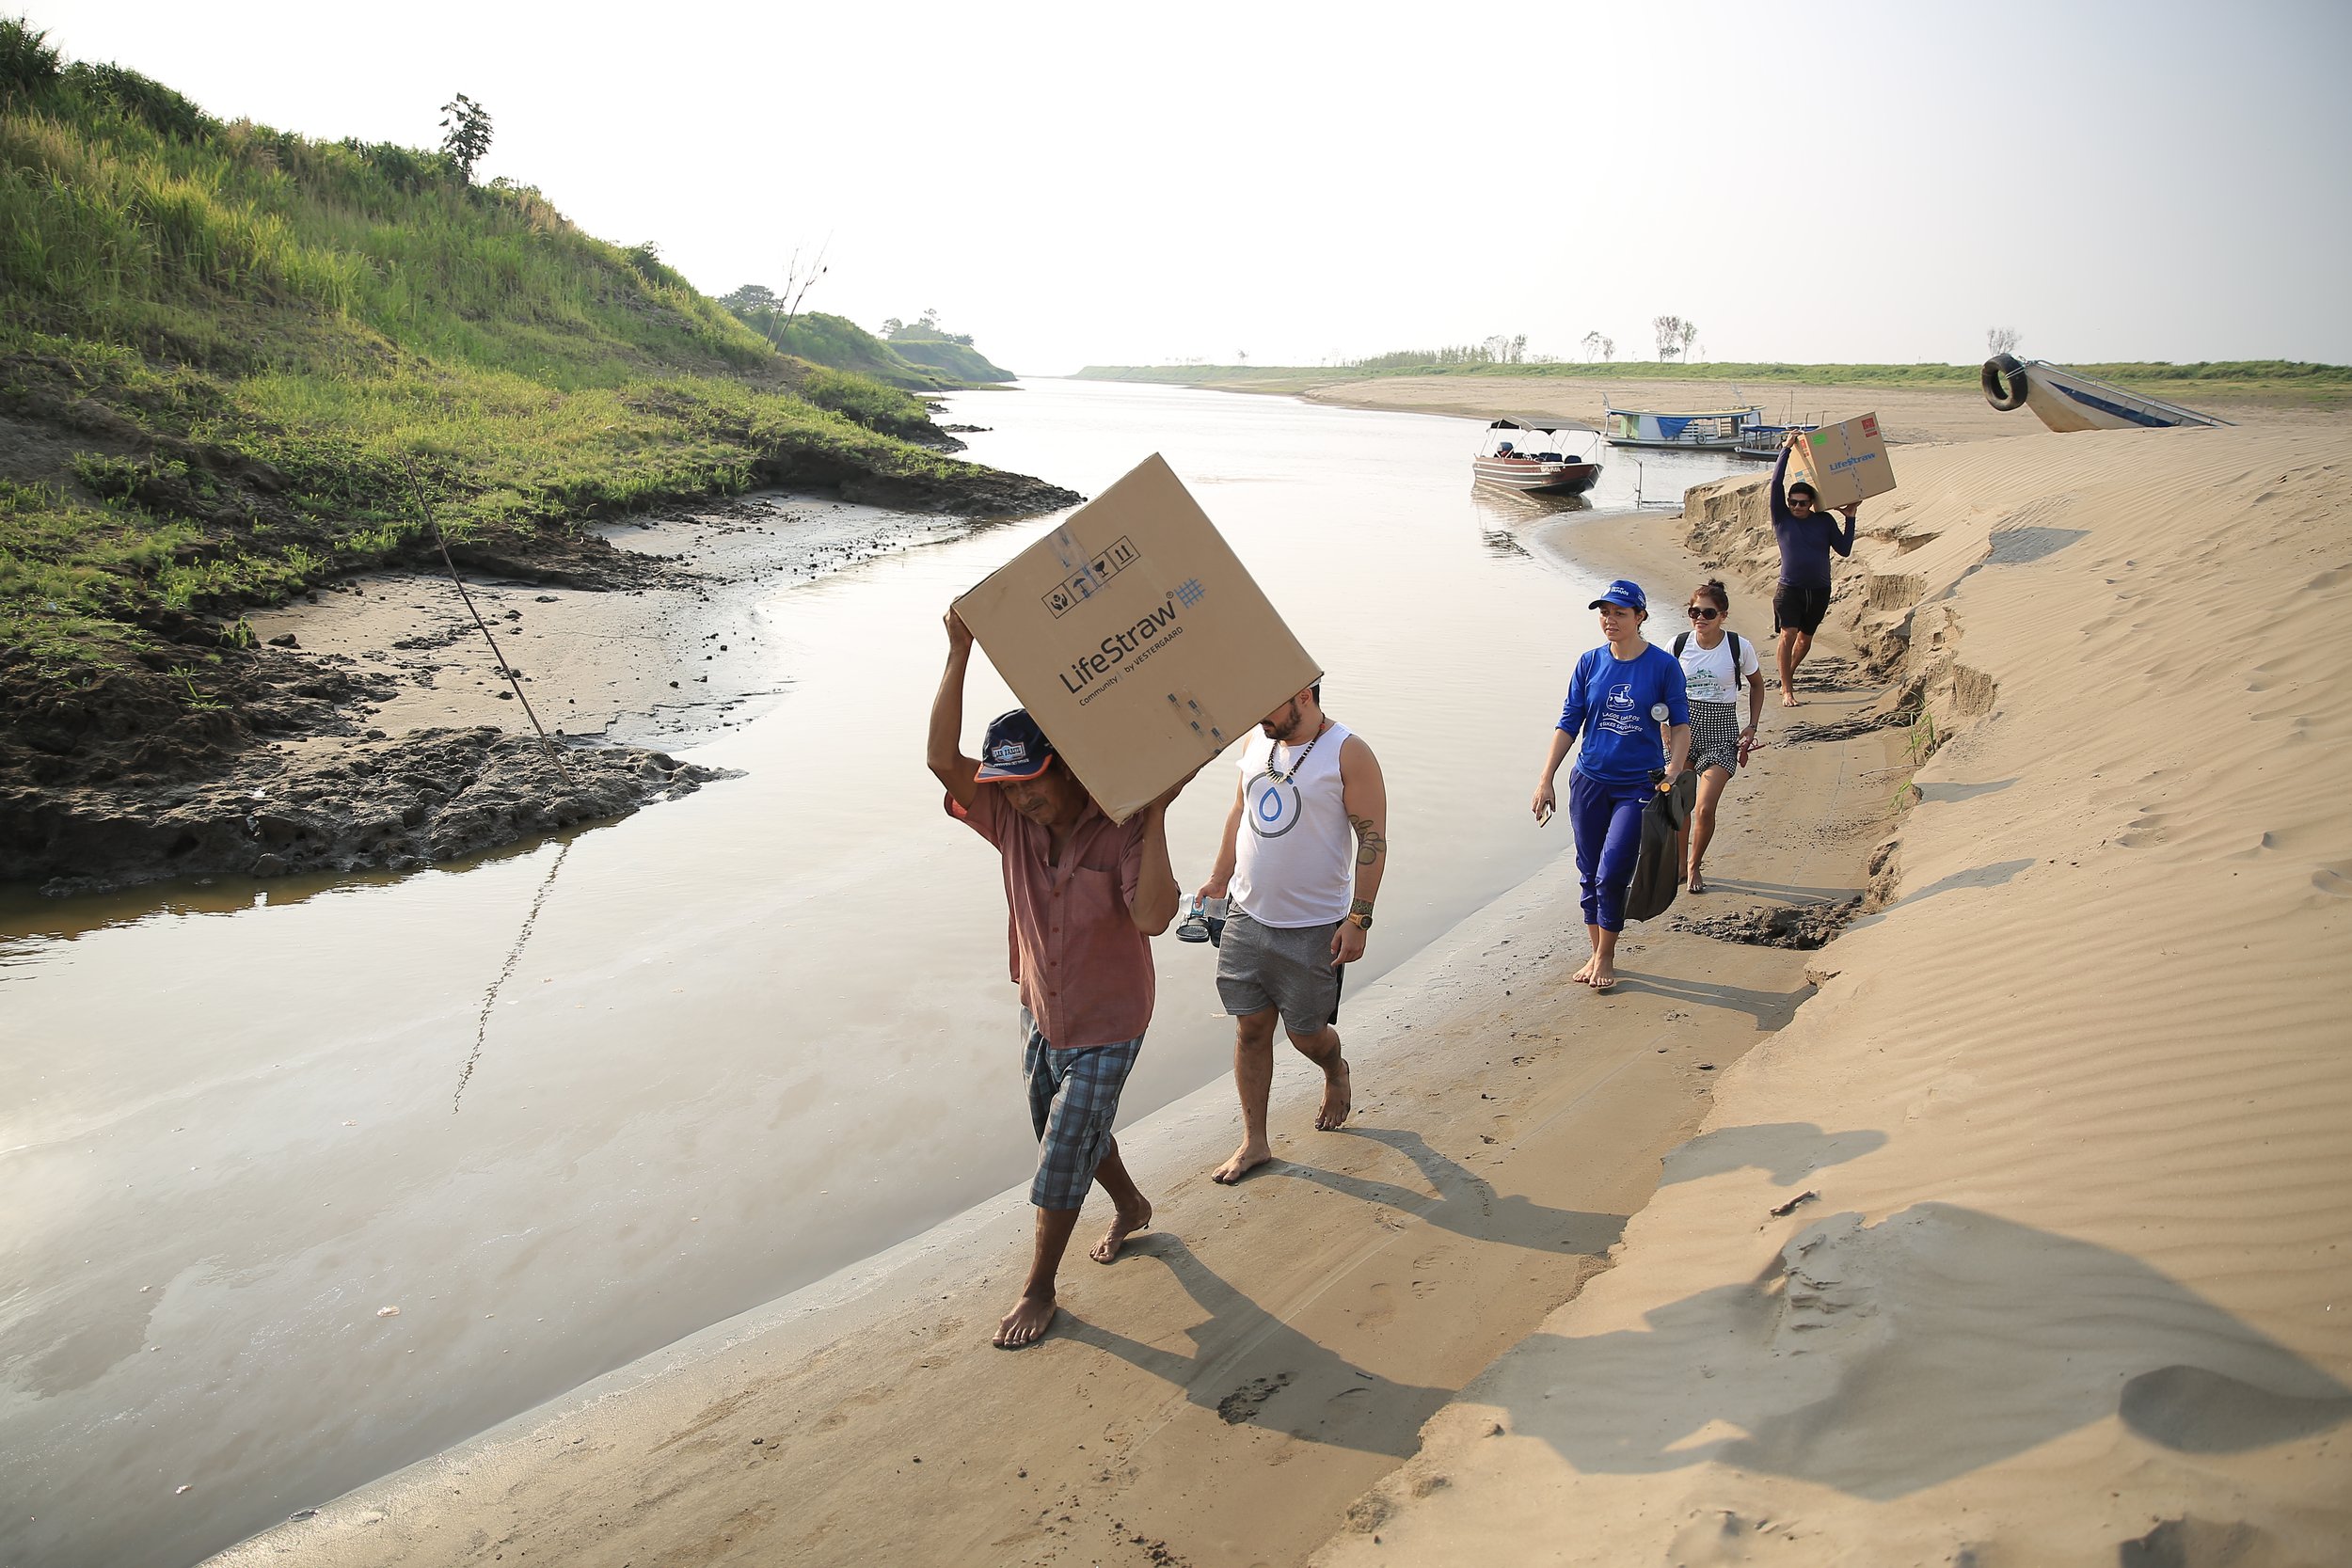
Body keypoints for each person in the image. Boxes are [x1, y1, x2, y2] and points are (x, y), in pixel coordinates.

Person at [928, 608, 1188, 1348]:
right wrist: (959, 650)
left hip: (1111, 1021)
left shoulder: (1124, 820)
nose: (1018, 798)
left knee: (1060, 1153)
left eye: (1030, 782)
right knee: (1063, 1130)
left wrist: (1159, 811)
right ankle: (1133, 1203)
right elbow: (940, 758)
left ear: (1067, 767)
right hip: (1039, 1008)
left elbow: (1154, 918)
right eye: (1005, 786)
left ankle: (1040, 1286)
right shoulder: (1009, 821)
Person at [1195, 681, 1389, 1184]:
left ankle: (1334, 1069)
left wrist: (1359, 917)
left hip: (1315, 924)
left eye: (1267, 702)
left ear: (1303, 693)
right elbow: (1240, 811)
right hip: (1246, 914)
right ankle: (1254, 1141)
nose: (1257, 713)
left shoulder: (1348, 751)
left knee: (1306, 1035)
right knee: (1251, 1028)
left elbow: (1372, 837)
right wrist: (1219, 877)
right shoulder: (1256, 742)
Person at [1530, 579, 1691, 992]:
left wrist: (1672, 770)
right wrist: (1546, 778)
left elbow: (1679, 723)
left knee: (1612, 870)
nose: (1610, 620)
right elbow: (1569, 722)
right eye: (1604, 612)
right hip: (1589, 780)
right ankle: (1595, 946)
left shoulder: (1662, 666)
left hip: (1638, 785)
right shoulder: (1589, 662)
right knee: (1587, 871)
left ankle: (1606, 955)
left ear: (1640, 617)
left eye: (1620, 613)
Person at [1670, 578, 1765, 894]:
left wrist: (1751, 726)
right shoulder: (1678, 645)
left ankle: (1695, 866)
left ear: (1723, 615)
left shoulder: (1739, 646)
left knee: (1705, 807)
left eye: (1708, 613)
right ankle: (1681, 865)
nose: (1700, 618)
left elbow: (1757, 685)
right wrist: (1661, 727)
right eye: (1694, 611)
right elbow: (1661, 689)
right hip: (1682, 729)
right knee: (1680, 805)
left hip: (1722, 733)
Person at [1769, 429, 1860, 706]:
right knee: (1788, 634)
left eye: (1803, 503)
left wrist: (1851, 518)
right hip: (1789, 589)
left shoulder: (1824, 521)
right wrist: (1786, 448)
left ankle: (1788, 676)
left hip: (1819, 590)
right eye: (1793, 502)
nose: (1797, 506)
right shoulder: (1782, 518)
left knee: (1805, 641)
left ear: (1811, 504)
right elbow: (1775, 484)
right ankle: (1787, 689)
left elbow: (1844, 550)